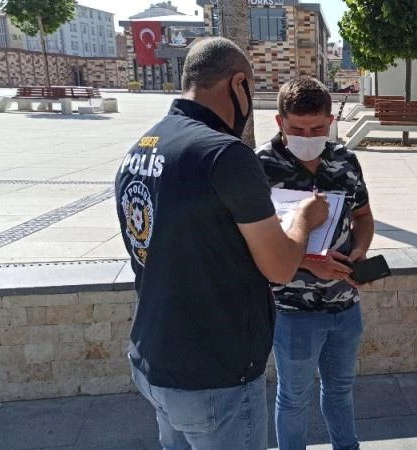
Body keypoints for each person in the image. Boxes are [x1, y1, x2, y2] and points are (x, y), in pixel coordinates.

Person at [115, 38, 329, 450]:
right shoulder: (225, 154)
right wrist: (304, 217)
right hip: (214, 374)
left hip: (153, 358)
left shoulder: (142, 147)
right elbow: (281, 267)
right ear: (238, 84)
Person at [256, 77, 374, 450]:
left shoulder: (345, 160)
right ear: (280, 122)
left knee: (340, 390)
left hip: (345, 304)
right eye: (297, 129)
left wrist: (360, 250)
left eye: (317, 128)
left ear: (331, 120)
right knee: (293, 398)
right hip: (292, 309)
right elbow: (252, 244)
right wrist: (309, 263)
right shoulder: (259, 167)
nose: (308, 136)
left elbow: (363, 216)